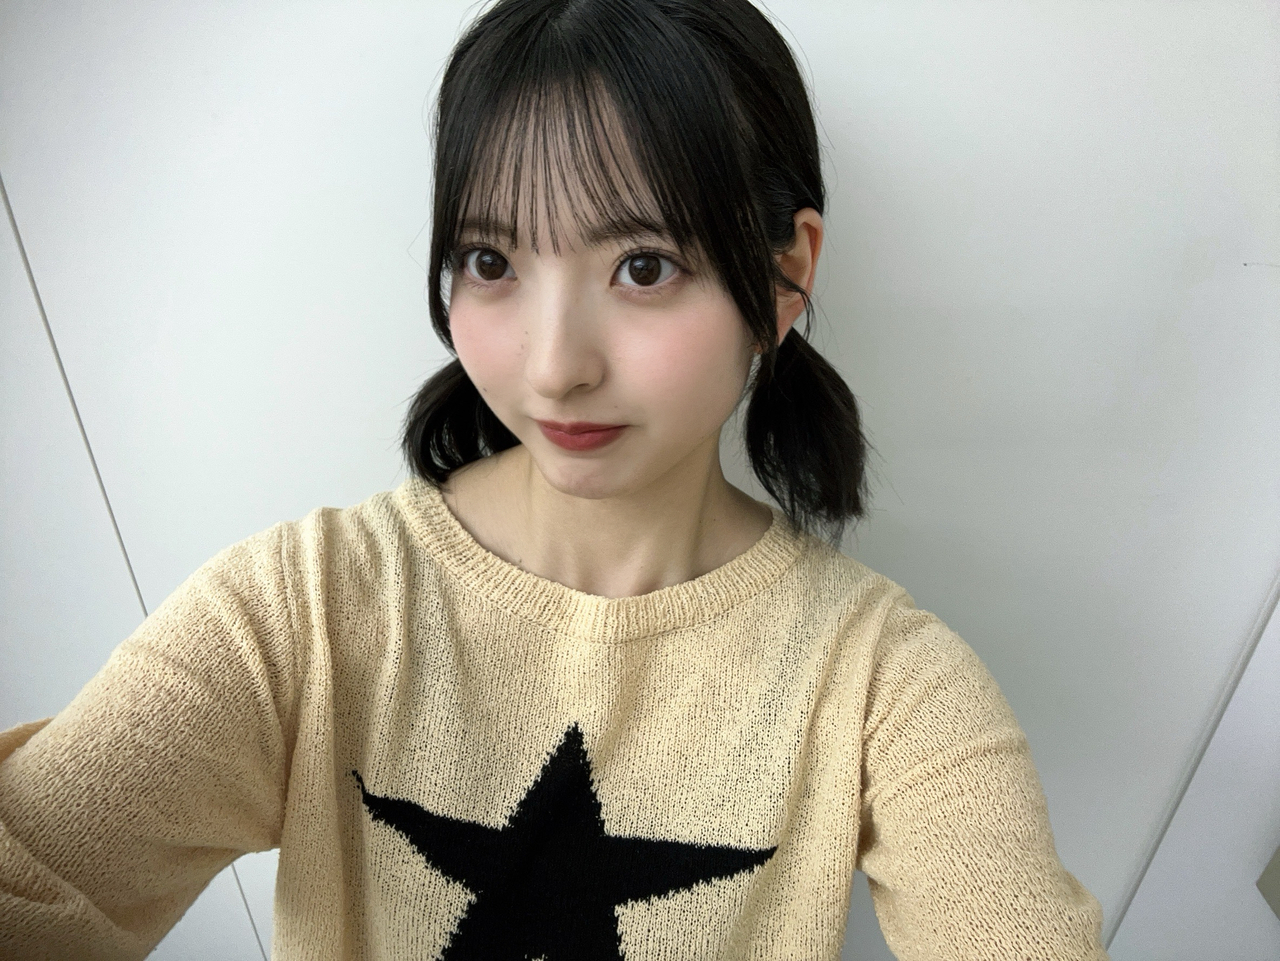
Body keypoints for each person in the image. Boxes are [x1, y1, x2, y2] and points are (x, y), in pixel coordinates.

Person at [0, 0, 1109, 958]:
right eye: (492, 262)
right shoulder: (303, 613)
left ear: (784, 275)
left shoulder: (882, 685)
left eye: (643, 267)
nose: (552, 367)